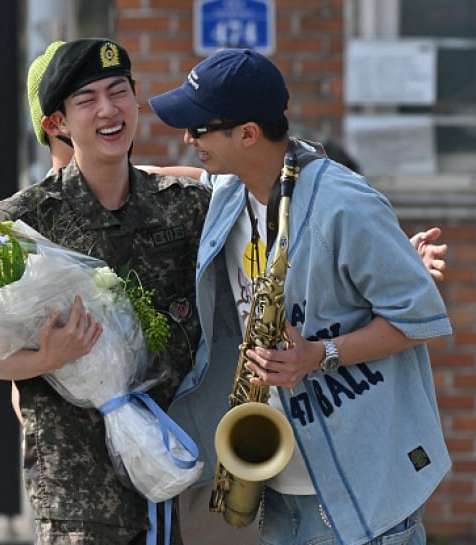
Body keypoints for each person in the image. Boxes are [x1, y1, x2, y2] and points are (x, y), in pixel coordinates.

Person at [149, 48, 453, 545]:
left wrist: (319, 355)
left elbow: (417, 316)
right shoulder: (233, 187)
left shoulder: (344, 205)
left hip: (361, 489)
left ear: (247, 134)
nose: (188, 138)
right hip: (283, 490)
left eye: (199, 128)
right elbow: (182, 176)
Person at [0, 38, 210, 545]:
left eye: (118, 91)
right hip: (78, 491)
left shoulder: (186, 207)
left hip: (179, 472)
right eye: (87, 100)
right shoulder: (23, 223)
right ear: (56, 123)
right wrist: (48, 355)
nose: (109, 110)